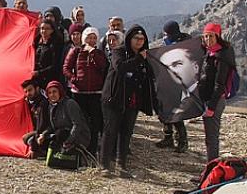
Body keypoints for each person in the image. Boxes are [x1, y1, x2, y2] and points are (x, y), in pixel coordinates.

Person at [100, 25, 156, 178]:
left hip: (132, 100)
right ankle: (104, 165)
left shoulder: (145, 57)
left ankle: (121, 165)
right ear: (129, 39)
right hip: (114, 99)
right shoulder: (119, 51)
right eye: (136, 38)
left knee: (126, 133)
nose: (139, 42)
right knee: (110, 131)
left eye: (142, 39)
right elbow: (120, 67)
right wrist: (139, 58)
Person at [63, 26, 107, 155]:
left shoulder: (99, 53)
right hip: (79, 93)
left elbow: (103, 67)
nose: (91, 40)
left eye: (94, 38)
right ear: (84, 38)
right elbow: (66, 68)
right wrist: (74, 79)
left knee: (95, 122)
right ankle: (79, 148)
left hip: (96, 93)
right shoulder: (75, 51)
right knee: (80, 121)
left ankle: (92, 150)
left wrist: (93, 53)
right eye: (89, 37)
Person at [198, 23, 236, 162]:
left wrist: (211, 107)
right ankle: (210, 168)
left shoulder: (221, 55)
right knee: (209, 137)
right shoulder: (211, 52)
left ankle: (212, 169)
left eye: (211, 36)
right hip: (207, 99)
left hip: (215, 101)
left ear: (218, 36)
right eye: (206, 36)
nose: (208, 39)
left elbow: (220, 84)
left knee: (212, 137)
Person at [155, 20, 194, 152]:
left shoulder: (185, 44)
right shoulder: (168, 42)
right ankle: (168, 137)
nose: (165, 36)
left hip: (179, 84)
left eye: (167, 33)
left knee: (176, 113)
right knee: (163, 110)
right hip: (165, 83)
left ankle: (182, 140)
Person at [34, 81, 90, 161]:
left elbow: (77, 125)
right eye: (49, 93)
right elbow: (53, 126)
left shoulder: (70, 104)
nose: (52, 95)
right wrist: (43, 135)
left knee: (60, 134)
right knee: (38, 140)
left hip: (76, 136)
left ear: (60, 91)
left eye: (54, 92)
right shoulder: (51, 106)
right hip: (61, 135)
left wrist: (68, 141)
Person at [21, 79, 50, 158]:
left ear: (37, 89)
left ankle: (43, 150)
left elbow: (42, 126)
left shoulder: (42, 103)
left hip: (47, 132)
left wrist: (33, 148)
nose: (28, 93)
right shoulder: (32, 101)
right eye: (26, 91)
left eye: (30, 90)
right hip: (39, 131)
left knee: (26, 138)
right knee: (26, 138)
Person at [33, 19, 60, 89]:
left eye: (47, 29)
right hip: (35, 79)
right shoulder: (36, 43)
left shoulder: (55, 45)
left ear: (52, 30)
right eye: (42, 28)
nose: (44, 31)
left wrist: (39, 72)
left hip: (49, 79)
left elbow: (55, 65)